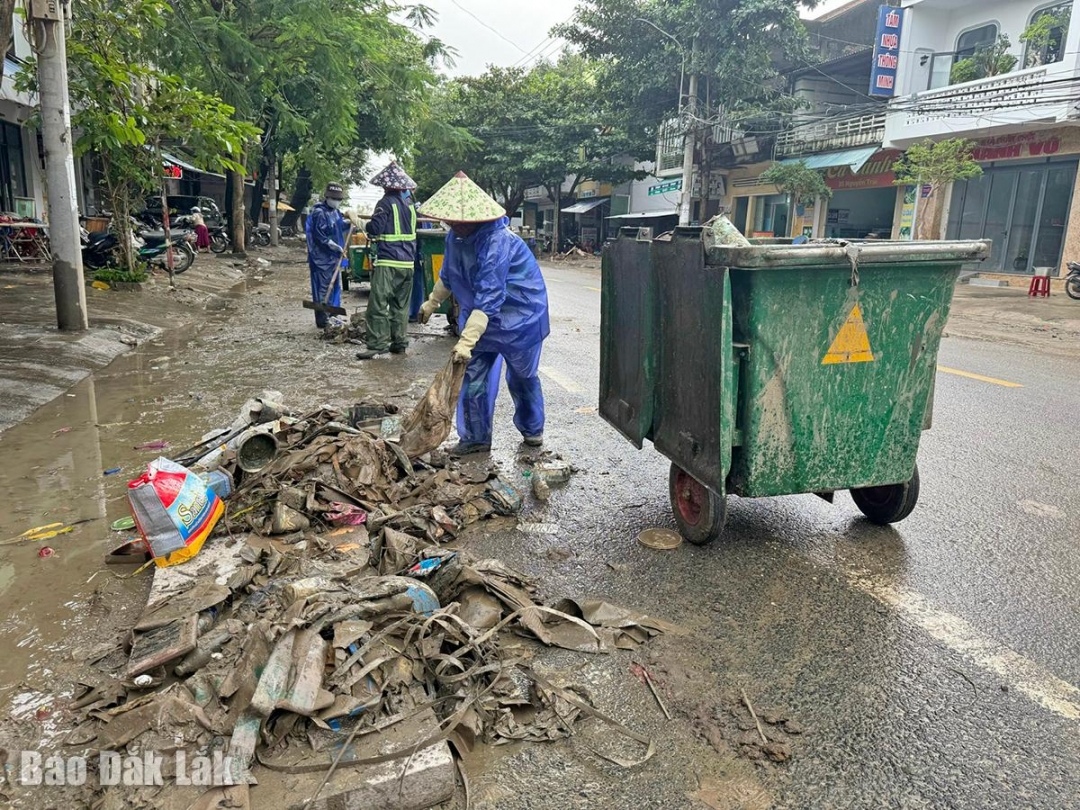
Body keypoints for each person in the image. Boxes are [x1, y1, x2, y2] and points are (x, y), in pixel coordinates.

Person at [416, 172, 549, 456]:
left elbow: (490, 294)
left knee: (522, 377)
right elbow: (449, 275)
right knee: (473, 378)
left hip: (520, 318)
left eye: (460, 221)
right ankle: (475, 437)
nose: (455, 225)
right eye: (451, 221)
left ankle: (532, 430)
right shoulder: (455, 238)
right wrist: (432, 302)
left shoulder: (498, 241)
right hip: (481, 319)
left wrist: (466, 341)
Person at [357, 162, 418, 360]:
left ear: (386, 186)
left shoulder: (384, 203)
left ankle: (377, 344)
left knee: (378, 304)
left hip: (389, 262)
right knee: (400, 306)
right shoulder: (410, 206)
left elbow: (375, 229)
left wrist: (357, 220)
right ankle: (399, 343)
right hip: (408, 264)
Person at [305, 182, 349, 329]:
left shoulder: (336, 212)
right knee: (322, 289)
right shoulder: (319, 213)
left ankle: (333, 315)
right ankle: (323, 320)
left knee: (334, 287)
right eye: (334, 198)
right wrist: (335, 246)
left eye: (339, 199)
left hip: (333, 258)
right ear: (327, 197)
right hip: (321, 259)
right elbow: (320, 236)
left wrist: (351, 222)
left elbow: (339, 227)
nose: (336, 201)